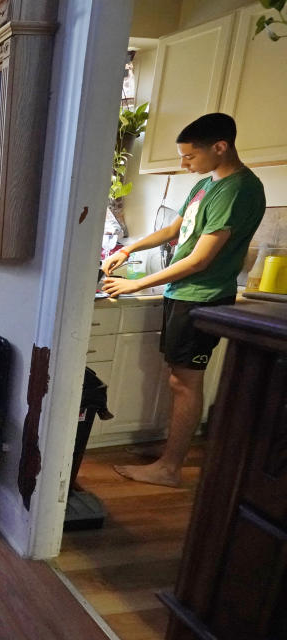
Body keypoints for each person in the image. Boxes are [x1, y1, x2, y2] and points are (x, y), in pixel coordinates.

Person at [101, 112, 266, 487]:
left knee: (185, 382)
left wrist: (137, 286)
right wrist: (127, 251)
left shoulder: (240, 189)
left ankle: (170, 467)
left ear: (220, 147)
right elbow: (174, 230)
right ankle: (169, 460)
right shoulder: (206, 185)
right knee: (179, 378)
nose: (184, 163)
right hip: (184, 294)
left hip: (203, 297)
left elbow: (201, 259)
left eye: (190, 156)